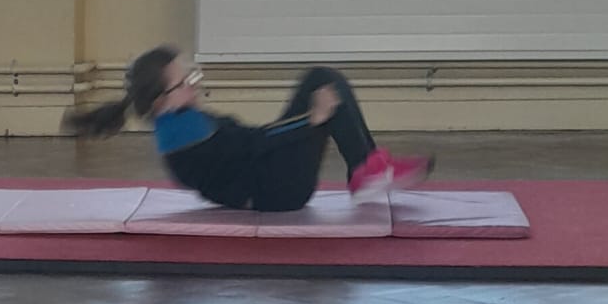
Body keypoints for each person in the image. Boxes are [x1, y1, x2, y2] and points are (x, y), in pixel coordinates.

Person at [65, 48, 431, 214]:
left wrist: (310, 120)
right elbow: (255, 143)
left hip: (268, 182)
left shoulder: (179, 122)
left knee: (321, 80)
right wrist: (312, 119)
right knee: (320, 81)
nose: (195, 83)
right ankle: (366, 170)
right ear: (163, 100)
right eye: (186, 81)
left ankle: (367, 168)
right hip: (277, 192)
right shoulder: (186, 132)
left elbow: (247, 145)